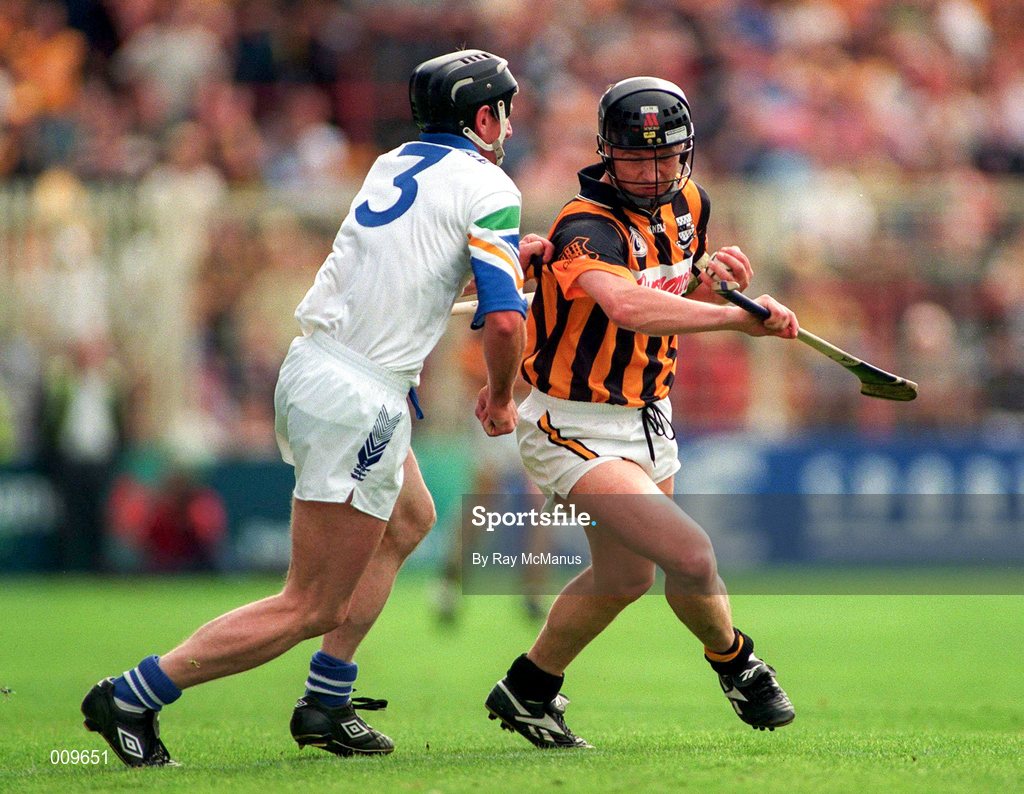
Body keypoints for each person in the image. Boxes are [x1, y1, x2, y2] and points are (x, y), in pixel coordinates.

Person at [82, 49, 552, 767]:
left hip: (322, 368)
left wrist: (507, 258)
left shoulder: (393, 161)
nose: (511, 124)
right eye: (505, 109)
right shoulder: (489, 184)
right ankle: (133, 694)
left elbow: (415, 258)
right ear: (483, 116)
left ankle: (328, 701)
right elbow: (507, 322)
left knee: (413, 518)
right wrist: (501, 394)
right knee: (311, 604)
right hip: (359, 396)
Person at [484, 77, 799, 748]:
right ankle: (739, 663)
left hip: (649, 417)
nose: (654, 172)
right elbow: (625, 306)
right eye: (636, 157)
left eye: (668, 156)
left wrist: (710, 278)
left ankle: (528, 688)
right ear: (607, 153)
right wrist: (730, 321)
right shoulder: (584, 226)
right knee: (691, 552)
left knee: (628, 577)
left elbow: (665, 284)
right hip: (572, 424)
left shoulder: (691, 202)